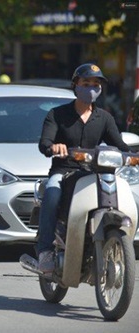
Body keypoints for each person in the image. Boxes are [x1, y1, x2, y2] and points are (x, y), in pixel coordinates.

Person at [36, 63, 130, 274]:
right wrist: (53, 147)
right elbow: (44, 143)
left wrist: (132, 153)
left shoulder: (104, 118)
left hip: (94, 174)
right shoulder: (57, 114)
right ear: (75, 86)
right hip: (63, 172)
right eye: (86, 83)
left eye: (96, 84)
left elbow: (121, 146)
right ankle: (44, 252)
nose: (91, 88)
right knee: (51, 194)